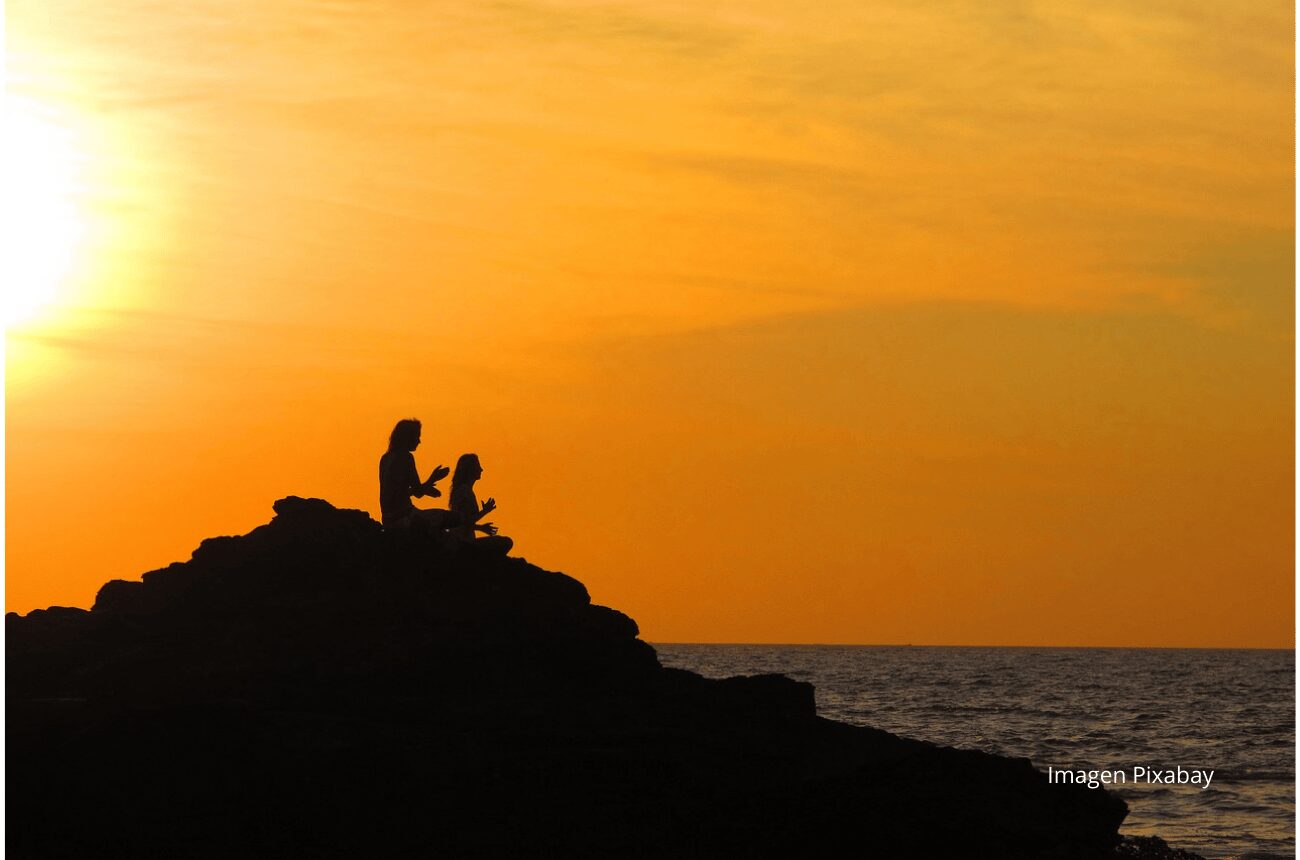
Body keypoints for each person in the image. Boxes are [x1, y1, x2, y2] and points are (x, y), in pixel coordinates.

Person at [378, 418, 456, 531]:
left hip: (387, 519)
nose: (419, 441)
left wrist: (426, 488)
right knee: (455, 517)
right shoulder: (406, 457)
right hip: (404, 516)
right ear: (407, 438)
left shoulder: (385, 458)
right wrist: (433, 478)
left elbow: (397, 492)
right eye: (417, 437)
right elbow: (418, 492)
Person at [448, 453, 513, 556]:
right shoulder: (464, 491)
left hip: (463, 540)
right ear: (470, 469)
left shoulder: (464, 490)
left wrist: (481, 527)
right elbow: (463, 522)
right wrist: (484, 512)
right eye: (478, 466)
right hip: (463, 542)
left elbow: (465, 521)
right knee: (506, 542)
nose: (481, 469)